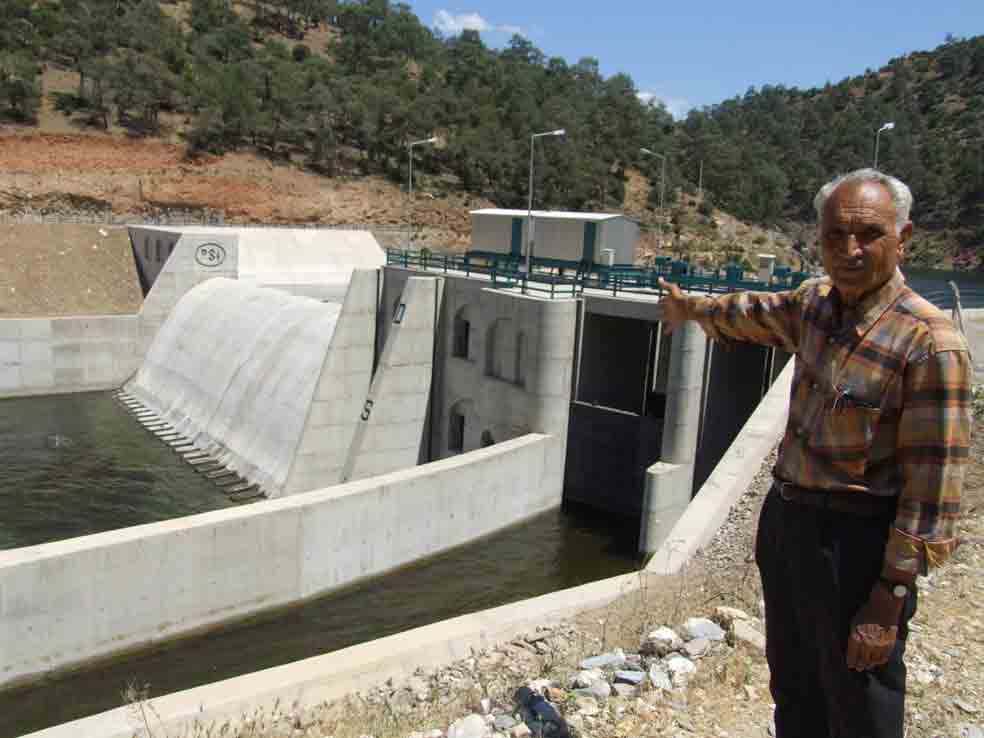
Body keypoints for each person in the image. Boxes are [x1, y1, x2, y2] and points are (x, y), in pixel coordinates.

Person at [659, 168, 971, 738]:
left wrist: (890, 597)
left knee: (858, 699)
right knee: (795, 686)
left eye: (869, 234)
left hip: (856, 544)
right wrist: (692, 310)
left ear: (904, 238)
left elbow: (933, 492)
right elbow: (751, 312)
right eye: (834, 236)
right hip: (790, 526)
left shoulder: (928, 343)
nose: (849, 250)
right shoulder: (816, 306)